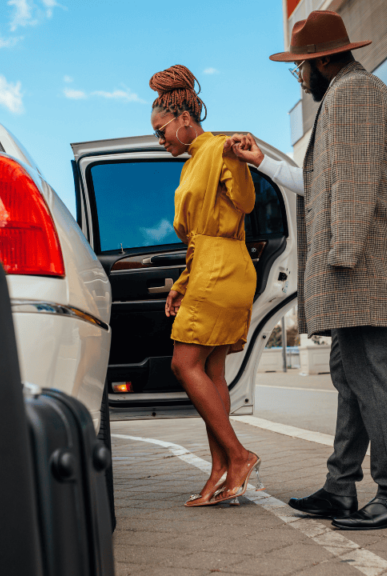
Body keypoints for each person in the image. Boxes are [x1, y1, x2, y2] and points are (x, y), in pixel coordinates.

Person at [225, 10, 387, 530]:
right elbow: (317, 182)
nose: (298, 76)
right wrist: (260, 161)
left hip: (356, 265)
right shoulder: (343, 93)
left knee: (367, 375)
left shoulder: (355, 92)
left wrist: (340, 257)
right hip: (353, 263)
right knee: (350, 373)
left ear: (320, 60)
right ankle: (340, 489)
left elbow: (356, 183)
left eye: (299, 67)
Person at [148, 64, 262, 507]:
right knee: (212, 371)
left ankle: (238, 455)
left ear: (183, 119)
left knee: (184, 364)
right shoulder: (194, 162)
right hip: (210, 266)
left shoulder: (218, 148)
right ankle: (220, 470)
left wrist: (239, 155)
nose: (161, 141)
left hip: (222, 266)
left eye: (162, 131)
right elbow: (196, 237)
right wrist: (181, 282)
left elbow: (246, 203)